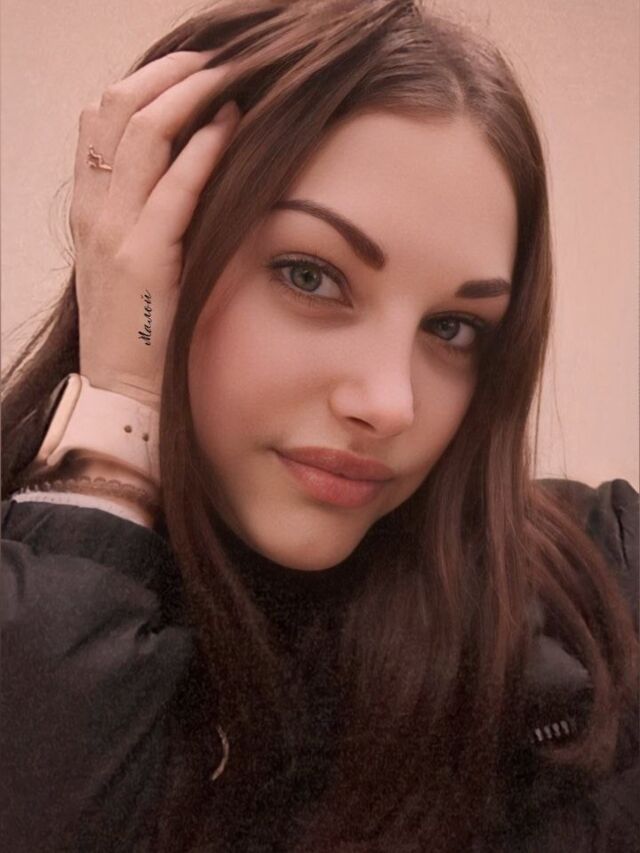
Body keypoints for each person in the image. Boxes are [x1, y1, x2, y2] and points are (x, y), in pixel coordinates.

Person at [1, 1, 638, 851]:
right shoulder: (34, 598)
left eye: (453, 327)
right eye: (311, 275)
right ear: (155, 253)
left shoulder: (609, 577)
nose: (391, 403)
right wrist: (117, 406)